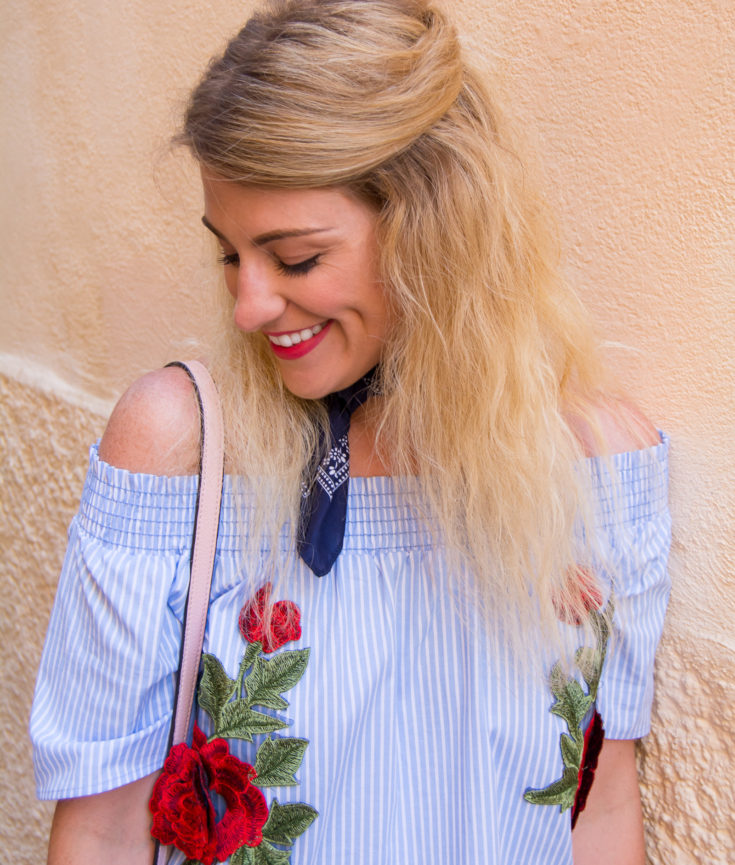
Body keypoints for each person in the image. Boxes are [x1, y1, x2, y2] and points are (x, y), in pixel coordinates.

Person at [30, 1, 670, 863]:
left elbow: (597, 810)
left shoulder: (595, 466)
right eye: (230, 253)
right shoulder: (179, 454)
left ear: (433, 229)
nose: (249, 305)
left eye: (294, 258)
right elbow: (102, 831)